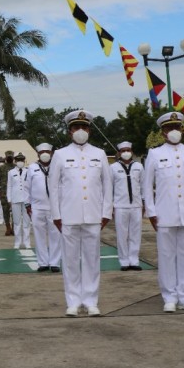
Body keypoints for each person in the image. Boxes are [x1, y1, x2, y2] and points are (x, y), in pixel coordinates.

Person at [50, 110, 112, 317]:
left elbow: (107, 186)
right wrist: (56, 215)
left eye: (84, 127)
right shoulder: (60, 154)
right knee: (70, 260)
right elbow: (54, 187)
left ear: (90, 131)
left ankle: (91, 301)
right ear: (69, 132)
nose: (80, 131)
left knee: (92, 259)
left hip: (94, 215)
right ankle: (73, 301)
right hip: (68, 215)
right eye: (76, 128)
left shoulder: (100, 154)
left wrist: (106, 212)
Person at [142, 112, 184, 314]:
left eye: (177, 128)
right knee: (167, 256)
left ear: (183, 130)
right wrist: (151, 211)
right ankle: (169, 296)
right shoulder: (154, 154)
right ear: (162, 133)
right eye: (169, 129)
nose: (173, 132)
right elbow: (146, 186)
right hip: (164, 214)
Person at [25, 143, 61, 272]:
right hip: (37, 207)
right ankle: (43, 262)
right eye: (42, 152)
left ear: (51, 153)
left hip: (54, 207)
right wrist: (27, 204)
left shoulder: (57, 166)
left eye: (47, 151)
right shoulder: (32, 167)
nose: (45, 154)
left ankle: (55, 262)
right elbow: (27, 187)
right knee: (39, 235)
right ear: (38, 154)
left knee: (56, 235)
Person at [110, 141, 144, 271]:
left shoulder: (139, 166)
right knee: (122, 234)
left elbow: (143, 185)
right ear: (119, 153)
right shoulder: (113, 167)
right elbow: (109, 188)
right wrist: (110, 205)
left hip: (136, 205)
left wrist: (144, 202)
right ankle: (124, 261)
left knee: (136, 234)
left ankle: (134, 260)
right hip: (120, 205)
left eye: (128, 150)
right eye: (123, 150)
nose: (125, 153)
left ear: (132, 152)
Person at [7, 152, 31, 249]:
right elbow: (9, 185)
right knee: (16, 222)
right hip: (15, 198)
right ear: (15, 161)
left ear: (24, 161)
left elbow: (31, 185)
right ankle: (17, 242)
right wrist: (9, 198)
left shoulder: (28, 171)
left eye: (22, 160)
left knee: (27, 222)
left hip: (26, 199)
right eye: (18, 160)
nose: (20, 162)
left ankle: (27, 242)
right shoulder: (11, 172)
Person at [0, 150, 15, 236]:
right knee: (5, 210)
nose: (9, 158)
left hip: (14, 192)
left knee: (15, 211)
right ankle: (8, 227)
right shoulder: (1, 168)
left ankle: (14, 228)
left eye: (11, 156)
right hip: (4, 192)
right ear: (6, 157)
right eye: (8, 156)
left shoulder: (16, 167)